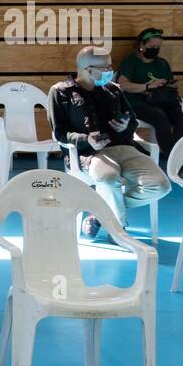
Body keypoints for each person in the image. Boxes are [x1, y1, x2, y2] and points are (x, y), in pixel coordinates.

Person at [49, 46, 172, 238]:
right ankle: (119, 231)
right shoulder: (61, 92)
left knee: (161, 185)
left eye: (110, 67)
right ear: (87, 69)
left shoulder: (113, 90)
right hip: (91, 153)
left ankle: (99, 214)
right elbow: (59, 133)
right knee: (108, 179)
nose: (109, 72)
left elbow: (131, 120)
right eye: (105, 68)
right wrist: (85, 139)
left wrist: (126, 126)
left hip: (125, 148)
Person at [115, 28, 183, 158]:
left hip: (161, 100)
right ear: (141, 45)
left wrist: (169, 85)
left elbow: (168, 82)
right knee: (160, 117)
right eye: (152, 46)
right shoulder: (130, 61)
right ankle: (170, 157)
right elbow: (122, 85)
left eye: (158, 47)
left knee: (182, 117)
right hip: (136, 102)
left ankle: (180, 156)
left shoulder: (162, 63)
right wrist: (148, 86)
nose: (155, 49)